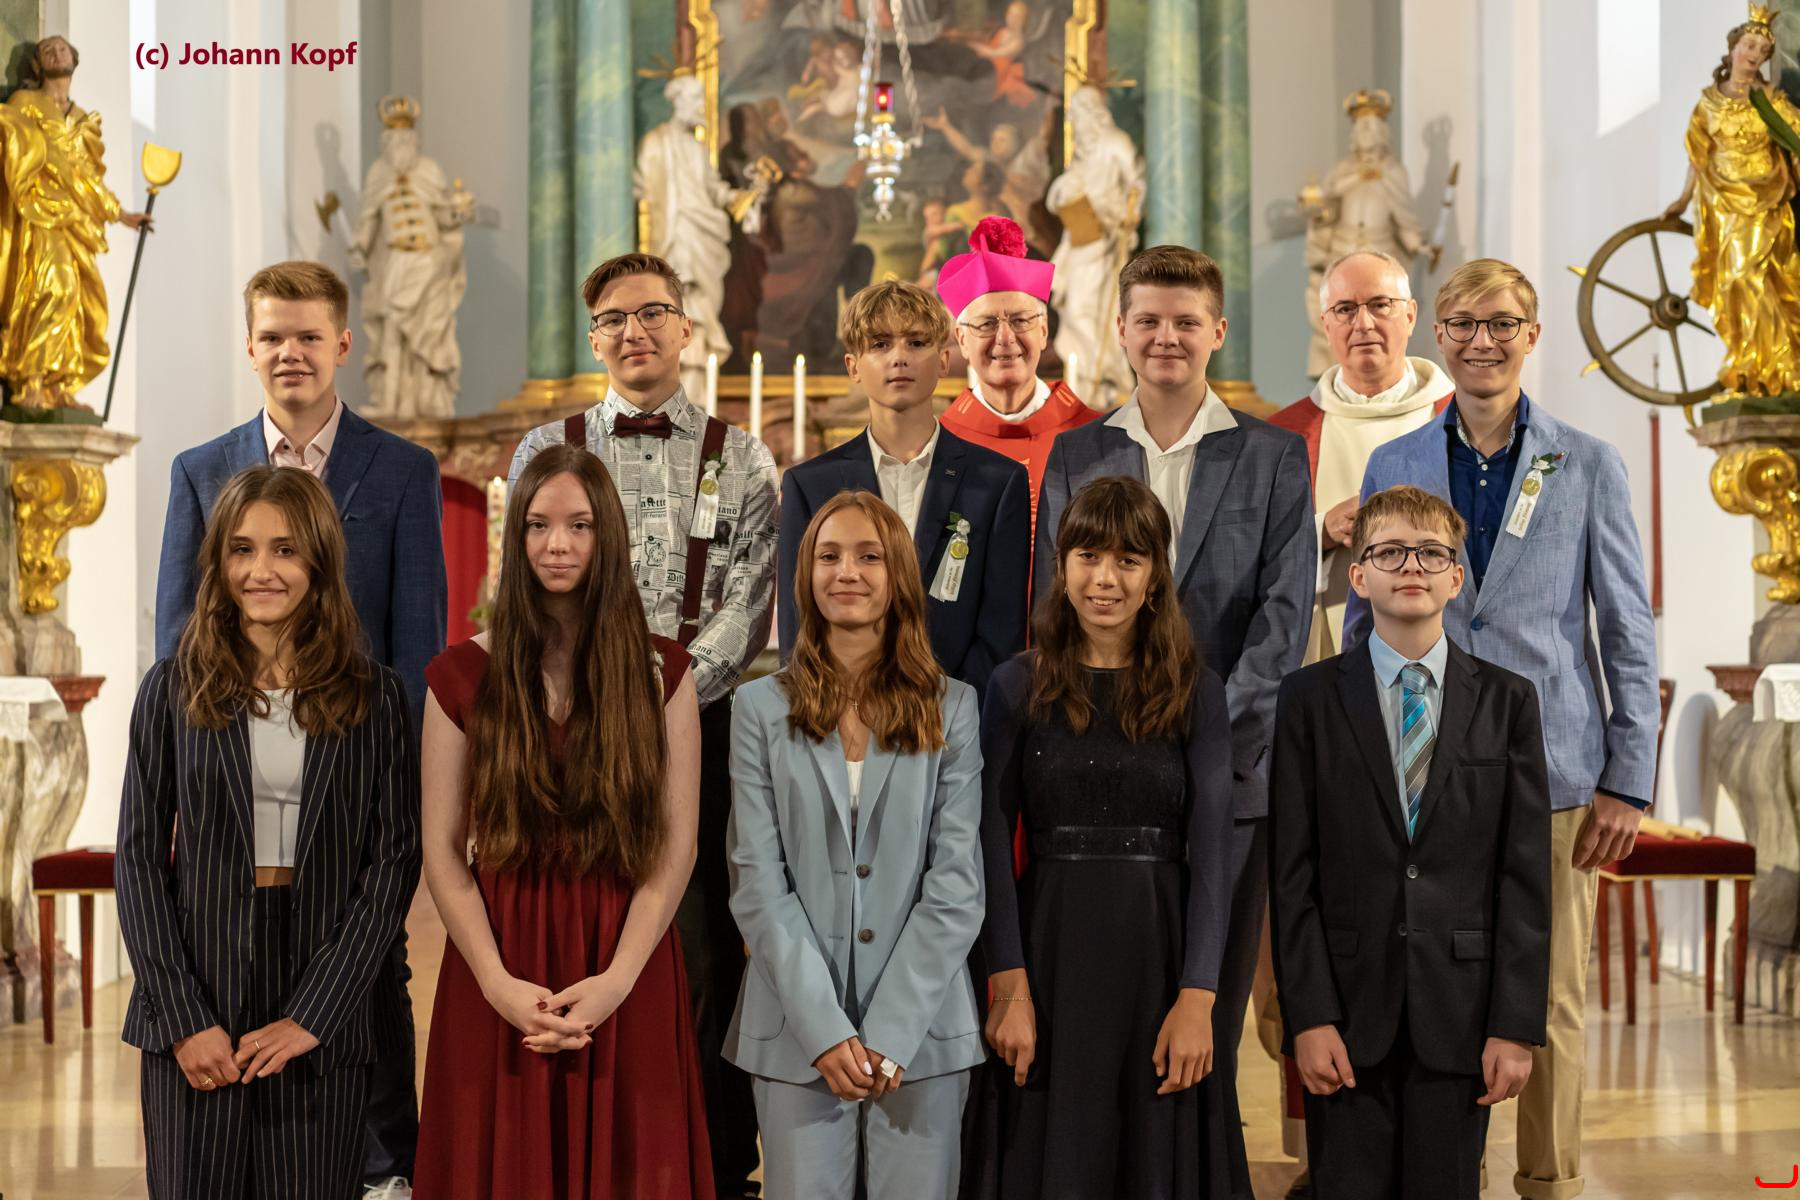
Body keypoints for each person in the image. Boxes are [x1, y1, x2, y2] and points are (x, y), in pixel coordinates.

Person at [1346, 258, 1660, 1200]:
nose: (1481, 341)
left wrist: (1628, 777)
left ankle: (1548, 1182)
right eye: (1463, 324)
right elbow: (1365, 624)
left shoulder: (1586, 462)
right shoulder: (1395, 462)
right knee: (1436, 983)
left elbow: (1627, 627)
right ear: (1437, 335)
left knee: (1550, 993)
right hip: (1419, 760)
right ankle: (1445, 1176)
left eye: (1501, 324)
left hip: (1553, 768)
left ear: (1531, 335)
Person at [153, 260, 446, 1198]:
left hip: (352, 774)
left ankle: (384, 1169)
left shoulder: (401, 470)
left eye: (309, 335)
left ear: (341, 345)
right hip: (230, 777)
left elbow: (416, 643)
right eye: (273, 336)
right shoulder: (202, 470)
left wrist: (396, 799)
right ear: (250, 347)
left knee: (372, 981)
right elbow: (178, 632)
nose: (291, 352)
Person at [1036, 244, 1315, 1200]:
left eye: (1186, 322)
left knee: (1206, 1017)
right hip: (1095, 786)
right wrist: (1112, 739)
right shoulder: (1078, 454)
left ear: (1217, 332)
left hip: (1228, 778)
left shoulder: (1273, 455)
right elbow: (1056, 605)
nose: (1166, 337)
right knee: (1097, 1023)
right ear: (1120, 329)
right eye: (1148, 320)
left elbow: (1282, 621)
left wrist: (1192, 735)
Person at [508, 251, 777, 1200]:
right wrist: (588, 709)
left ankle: (710, 1161)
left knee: (700, 951)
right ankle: (578, 1147)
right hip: (566, 735)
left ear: (686, 329)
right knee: (572, 930)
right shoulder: (545, 449)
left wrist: (664, 703)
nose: (635, 331)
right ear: (595, 339)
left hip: (692, 728)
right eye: (615, 318)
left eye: (653, 312)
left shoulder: (742, 457)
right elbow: (526, 583)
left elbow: (750, 600)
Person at [414, 445, 713, 1198]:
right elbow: (442, 850)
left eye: (580, 525)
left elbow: (676, 844)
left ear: (607, 535)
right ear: (514, 536)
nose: (558, 544)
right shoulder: (459, 676)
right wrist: (496, 982)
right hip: (501, 956)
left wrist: (616, 981)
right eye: (539, 525)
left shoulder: (664, 674)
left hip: (624, 952)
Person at [117, 466, 421, 1200]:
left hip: (324, 983)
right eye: (242, 549)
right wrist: (182, 1017)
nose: (262, 571)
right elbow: (138, 861)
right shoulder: (171, 688)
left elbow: (393, 864)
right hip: (201, 977)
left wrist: (314, 1016)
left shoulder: (375, 696)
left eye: (285, 550)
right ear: (218, 562)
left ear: (318, 562)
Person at [1271, 484, 1551, 1199]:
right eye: (1390, 552)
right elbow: (1292, 876)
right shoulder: (1307, 700)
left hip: (1461, 1016)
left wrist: (1514, 1026)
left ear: (1456, 579)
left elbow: (1523, 879)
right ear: (1358, 576)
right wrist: (1310, 1016)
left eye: (1430, 553)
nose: (1411, 567)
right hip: (1346, 1013)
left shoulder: (1509, 701)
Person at [973, 476, 1234, 1199]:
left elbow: (1214, 852)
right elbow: (988, 838)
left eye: (1128, 560)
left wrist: (1199, 996)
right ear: (1062, 567)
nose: (1105, 579)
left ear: (1155, 576)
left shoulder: (1196, 690)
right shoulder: (1015, 686)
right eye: (1088, 556)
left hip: (1160, 957)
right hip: (1049, 957)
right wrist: (1009, 985)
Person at [725, 491, 986, 1198]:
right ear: (805, 574)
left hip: (922, 1035)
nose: (847, 572)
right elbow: (757, 882)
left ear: (898, 575)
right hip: (795, 1035)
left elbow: (956, 884)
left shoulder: (954, 707)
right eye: (829, 556)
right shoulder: (758, 709)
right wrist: (823, 1028)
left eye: (869, 556)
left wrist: (893, 1029)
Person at [778, 279, 1029, 700]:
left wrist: (949, 712)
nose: (899, 357)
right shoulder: (810, 485)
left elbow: (1001, 630)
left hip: (955, 714)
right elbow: (799, 623)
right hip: (838, 711)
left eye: (916, 343)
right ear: (853, 367)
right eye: (880, 344)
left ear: (944, 361)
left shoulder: (997, 482)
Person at [1269, 251, 1454, 661]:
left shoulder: (1458, 420)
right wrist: (1321, 530)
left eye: (1380, 304)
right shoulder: (1284, 433)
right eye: (1345, 309)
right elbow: (1252, 553)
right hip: (1325, 646)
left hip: (1445, 640)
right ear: (1326, 324)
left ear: (1411, 315)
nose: (1363, 323)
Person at [0, 34, 153, 410]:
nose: (56, 53)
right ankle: (30, 379)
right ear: (38, 65)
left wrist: (121, 215)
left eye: (62, 49)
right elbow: (14, 144)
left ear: (74, 58)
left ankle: (57, 384)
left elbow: (87, 178)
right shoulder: (25, 103)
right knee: (55, 290)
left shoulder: (82, 119)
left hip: (75, 221)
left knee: (83, 302)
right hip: (39, 215)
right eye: (47, 50)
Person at [937, 214, 1100, 556]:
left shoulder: (1095, 437)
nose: (1005, 338)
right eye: (986, 324)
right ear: (962, 340)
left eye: (1021, 320)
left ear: (1044, 331)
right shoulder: (939, 446)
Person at [1663, 5, 1800, 397]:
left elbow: (1796, 141)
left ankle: (1780, 366)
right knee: (1731, 284)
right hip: (1724, 204)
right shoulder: (1707, 105)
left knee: (1752, 276)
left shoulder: (1772, 102)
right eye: (1749, 45)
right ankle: (1746, 361)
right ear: (1733, 49)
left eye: (1763, 50)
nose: (1755, 54)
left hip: (1766, 203)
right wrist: (1683, 199)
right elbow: (1699, 157)